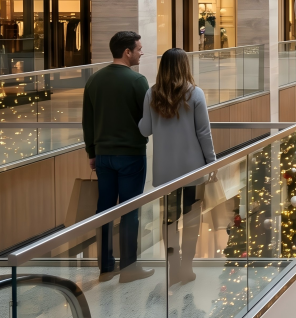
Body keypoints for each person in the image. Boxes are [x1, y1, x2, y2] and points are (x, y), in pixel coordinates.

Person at [138, 48, 216, 286]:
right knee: (192, 218)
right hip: (193, 170)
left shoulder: (152, 94)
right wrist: (212, 161)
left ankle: (172, 269)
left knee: (169, 220)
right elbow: (203, 132)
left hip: (165, 173)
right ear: (185, 66)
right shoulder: (196, 94)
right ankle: (187, 268)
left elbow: (145, 130)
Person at [83, 30, 151, 280]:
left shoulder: (94, 80)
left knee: (104, 210)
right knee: (129, 210)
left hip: (102, 155)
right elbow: (145, 119)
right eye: (139, 48)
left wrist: (92, 152)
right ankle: (129, 268)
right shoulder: (137, 81)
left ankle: (105, 265)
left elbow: (87, 120)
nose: (142, 52)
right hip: (131, 154)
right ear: (127, 52)